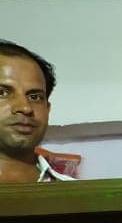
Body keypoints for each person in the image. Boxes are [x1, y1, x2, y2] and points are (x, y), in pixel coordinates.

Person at [0, 40, 72, 183]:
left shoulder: (78, 193)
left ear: (47, 109)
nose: (25, 108)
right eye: (2, 93)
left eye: (35, 97)